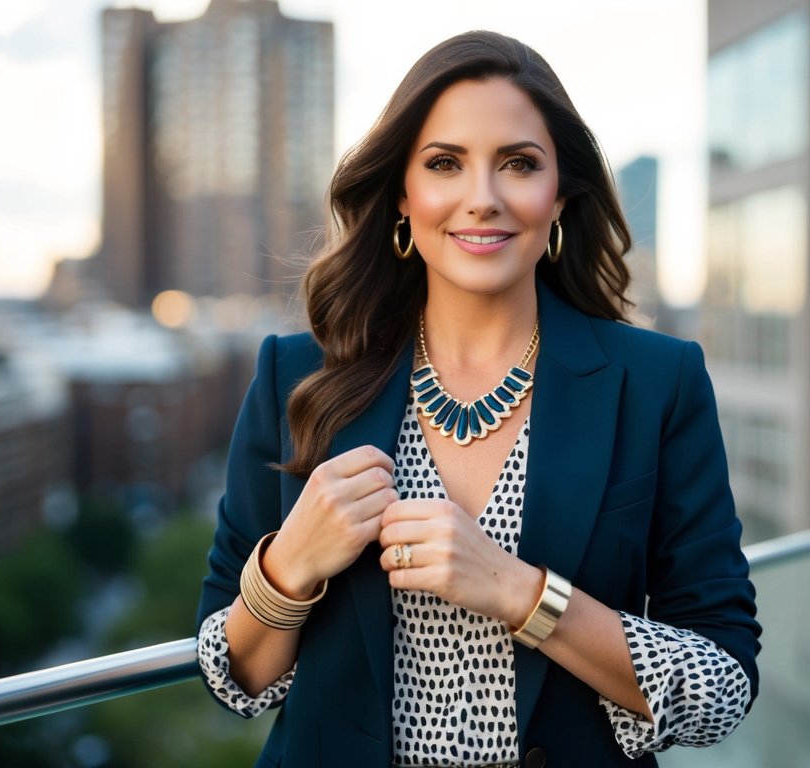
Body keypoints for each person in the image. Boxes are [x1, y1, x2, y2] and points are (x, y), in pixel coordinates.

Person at [195, 30, 760, 768]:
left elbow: (722, 684)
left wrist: (523, 595)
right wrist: (289, 566)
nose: (482, 199)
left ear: (558, 194)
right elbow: (232, 680)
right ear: (403, 192)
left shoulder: (658, 381)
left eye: (518, 165)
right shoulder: (294, 376)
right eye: (444, 164)